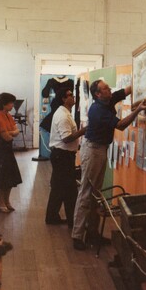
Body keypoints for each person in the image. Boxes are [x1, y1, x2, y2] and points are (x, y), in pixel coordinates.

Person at [72, 79, 146, 250]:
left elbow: (125, 91)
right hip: (93, 151)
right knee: (86, 193)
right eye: (106, 88)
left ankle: (92, 234)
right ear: (98, 94)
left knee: (95, 194)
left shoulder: (107, 99)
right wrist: (137, 111)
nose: (110, 89)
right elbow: (121, 125)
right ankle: (77, 236)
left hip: (99, 149)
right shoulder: (98, 109)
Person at [45, 87, 86, 227]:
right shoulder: (63, 116)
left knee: (58, 188)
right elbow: (66, 138)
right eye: (70, 95)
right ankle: (72, 221)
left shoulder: (65, 113)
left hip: (62, 155)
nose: (73, 97)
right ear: (63, 98)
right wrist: (83, 131)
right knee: (69, 190)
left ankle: (52, 217)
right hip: (62, 156)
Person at [0, 93, 22, 213]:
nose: (12, 105)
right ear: (4, 104)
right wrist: (12, 132)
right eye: (11, 103)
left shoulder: (8, 116)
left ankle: (7, 201)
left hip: (6, 149)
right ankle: (0, 202)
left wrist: (10, 132)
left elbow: (17, 131)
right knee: (0, 177)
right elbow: (7, 137)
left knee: (9, 176)